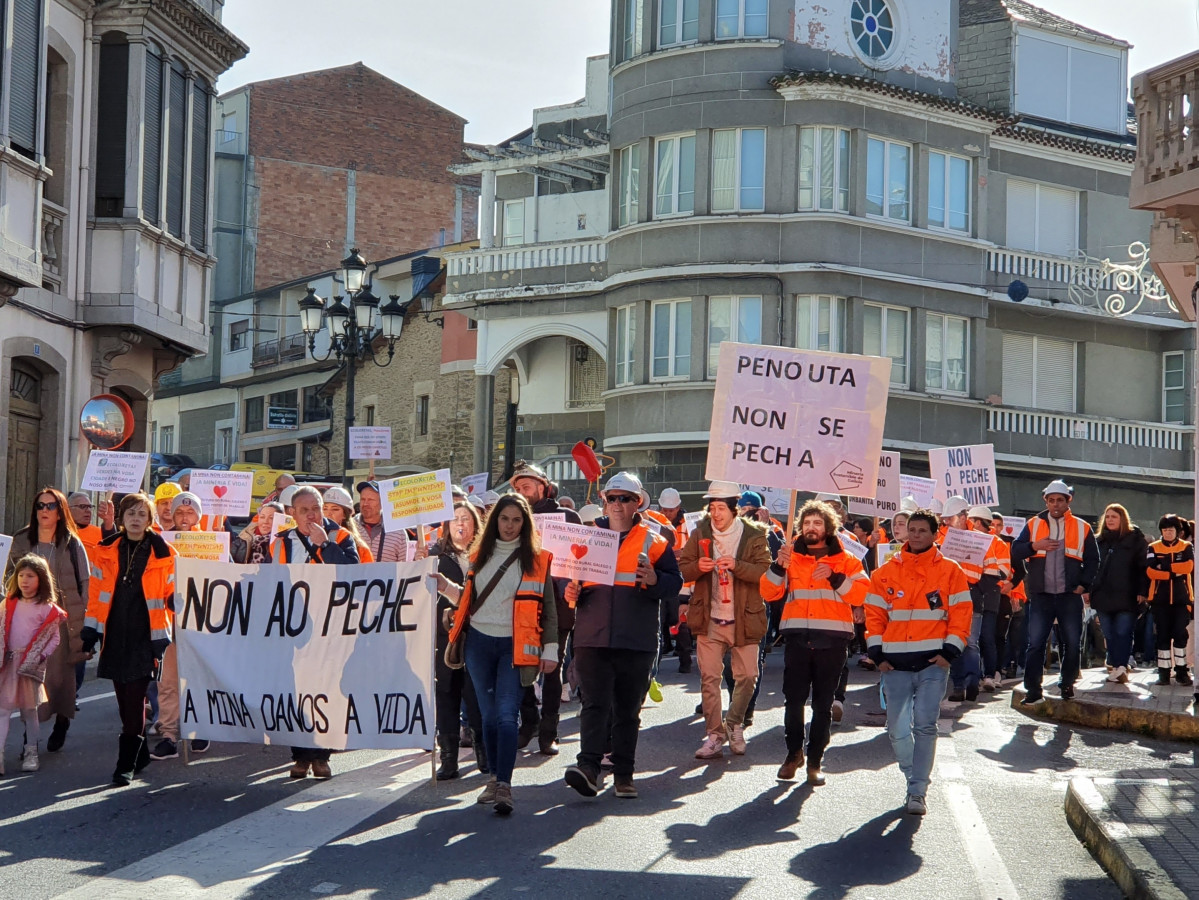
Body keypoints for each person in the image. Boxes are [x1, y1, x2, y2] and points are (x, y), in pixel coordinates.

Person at [564, 472, 682, 800]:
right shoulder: (588, 537)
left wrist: (655, 579)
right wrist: (570, 592)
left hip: (636, 638)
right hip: (593, 636)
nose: (617, 504)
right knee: (594, 705)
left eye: (625, 498)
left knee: (628, 710)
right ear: (604, 501)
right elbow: (570, 583)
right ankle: (588, 768)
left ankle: (624, 775)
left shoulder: (655, 541)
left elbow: (675, 583)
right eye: (612, 498)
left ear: (637, 503)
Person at [441, 494, 558, 815]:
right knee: (488, 717)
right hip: (478, 644)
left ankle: (504, 784)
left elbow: (549, 609)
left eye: (516, 520)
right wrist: (443, 586)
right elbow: (468, 598)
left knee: (507, 715)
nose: (509, 526)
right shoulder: (478, 555)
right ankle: (494, 778)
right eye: (504, 519)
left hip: (515, 646)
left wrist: (550, 648)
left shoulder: (538, 559)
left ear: (525, 524)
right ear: (495, 521)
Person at [865, 510, 972, 815]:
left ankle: (917, 790)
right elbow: (874, 616)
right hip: (894, 665)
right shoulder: (885, 572)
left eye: (922, 530)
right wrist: (877, 654)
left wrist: (949, 652)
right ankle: (914, 775)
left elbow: (962, 614)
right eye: (912, 529)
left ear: (935, 535)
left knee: (925, 725)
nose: (915, 535)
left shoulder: (950, 571)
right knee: (897, 730)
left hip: (932, 664)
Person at [760, 499, 869, 784]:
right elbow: (768, 593)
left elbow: (861, 595)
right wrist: (778, 566)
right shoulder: (789, 556)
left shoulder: (847, 559)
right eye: (807, 522)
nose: (811, 527)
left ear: (828, 527)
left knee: (823, 704)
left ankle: (815, 761)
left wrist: (835, 578)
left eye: (817, 523)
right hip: (797, 637)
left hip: (832, 640)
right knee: (793, 701)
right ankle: (793, 754)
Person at [81, 493, 179, 785]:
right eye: (131, 513)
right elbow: (97, 594)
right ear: (122, 518)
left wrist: (174, 600)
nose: (136, 519)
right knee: (123, 699)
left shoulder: (165, 552)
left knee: (135, 698)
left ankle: (125, 764)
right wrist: (90, 630)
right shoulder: (105, 550)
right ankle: (141, 753)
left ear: (149, 520)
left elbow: (173, 591)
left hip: (146, 636)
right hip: (114, 633)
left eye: (142, 514)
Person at [270, 485, 360, 778]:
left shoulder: (341, 537)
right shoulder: (280, 542)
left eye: (316, 508)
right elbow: (272, 581)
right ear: (292, 514)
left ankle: (322, 756)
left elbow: (353, 574)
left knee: (326, 689)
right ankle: (300, 756)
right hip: (293, 625)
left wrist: (325, 545)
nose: (311, 515)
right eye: (304, 510)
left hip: (330, 625)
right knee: (295, 689)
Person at [678, 481, 771, 761]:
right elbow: (684, 568)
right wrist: (697, 567)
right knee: (709, 678)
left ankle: (734, 723)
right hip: (709, 618)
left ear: (734, 509)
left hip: (744, 617)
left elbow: (765, 573)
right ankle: (715, 736)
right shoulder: (700, 532)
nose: (716, 513)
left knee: (748, 676)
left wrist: (737, 565)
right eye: (712, 507)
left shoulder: (754, 534)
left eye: (721, 508)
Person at [7, 488, 90, 754]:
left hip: (61, 622)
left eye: (51, 506)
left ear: (60, 512)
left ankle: (62, 721)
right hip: (28, 620)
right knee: (30, 678)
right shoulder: (21, 540)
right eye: (40, 505)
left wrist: (83, 620)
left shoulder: (72, 542)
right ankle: (29, 738)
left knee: (60, 678)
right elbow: (8, 578)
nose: (44, 510)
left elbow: (84, 583)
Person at [509, 460, 580, 752]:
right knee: (521, 667)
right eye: (517, 488)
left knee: (553, 668)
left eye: (526, 486)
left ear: (543, 487)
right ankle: (530, 722)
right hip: (524, 603)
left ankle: (549, 730)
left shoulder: (568, 517)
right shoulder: (513, 520)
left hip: (559, 604)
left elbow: (581, 561)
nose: (522, 492)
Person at [1012, 480, 1100, 704]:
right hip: (1041, 595)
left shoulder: (1082, 527)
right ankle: (1033, 690)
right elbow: (1016, 550)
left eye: (1060, 500)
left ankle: (1067, 683)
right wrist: (1035, 546)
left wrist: (1084, 584)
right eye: (1051, 500)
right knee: (1036, 644)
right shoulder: (1033, 524)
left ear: (1068, 501)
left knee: (1072, 643)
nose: (1055, 504)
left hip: (1069, 595)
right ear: (1046, 502)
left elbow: (1093, 559)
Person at [150, 492, 212, 759]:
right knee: (167, 681)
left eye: (190, 512)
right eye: (179, 512)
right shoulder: (160, 543)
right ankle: (169, 735)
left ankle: (200, 728)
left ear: (198, 516)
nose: (184, 517)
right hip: (168, 622)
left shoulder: (213, 543)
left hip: (200, 623)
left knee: (199, 679)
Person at [431, 501, 485, 780]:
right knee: (446, 695)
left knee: (476, 695)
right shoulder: (435, 556)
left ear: (476, 523)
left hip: (478, 634)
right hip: (445, 637)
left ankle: (483, 753)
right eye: (455, 519)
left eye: (466, 518)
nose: (460, 524)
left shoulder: (486, 555)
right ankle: (448, 758)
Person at [0, 555, 67, 775]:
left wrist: (40, 656)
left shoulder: (46, 608)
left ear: (41, 579)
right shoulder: (8, 603)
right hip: (7, 664)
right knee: (2, 710)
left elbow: (54, 638)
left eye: (30, 576)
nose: (24, 580)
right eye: (21, 575)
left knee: (30, 711)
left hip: (29, 665)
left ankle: (31, 753)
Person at [1090, 504, 1148, 684]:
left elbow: (1143, 567)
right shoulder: (1098, 541)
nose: (1110, 520)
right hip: (1103, 595)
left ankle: (1121, 666)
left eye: (1114, 516)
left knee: (1123, 632)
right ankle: (1116, 666)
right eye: (1107, 516)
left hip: (1128, 594)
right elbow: (1091, 566)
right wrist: (1088, 589)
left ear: (1123, 518)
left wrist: (1142, 591)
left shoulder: (1135, 539)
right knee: (1109, 633)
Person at [1146, 514, 1194, 685]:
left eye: (1171, 530)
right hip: (1160, 600)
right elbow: (1151, 571)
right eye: (1165, 530)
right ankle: (1163, 673)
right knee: (1162, 636)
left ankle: (1182, 672)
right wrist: (1173, 573)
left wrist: (1165, 566)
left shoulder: (1186, 546)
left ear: (1178, 531)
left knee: (1180, 635)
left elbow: (1188, 566)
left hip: (1182, 599)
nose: (1168, 533)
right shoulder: (1153, 547)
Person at [353, 481, 410, 563]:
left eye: (370, 500)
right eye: (363, 499)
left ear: (382, 503)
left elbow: (405, 565)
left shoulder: (397, 532)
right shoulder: (350, 526)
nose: (365, 503)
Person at [322, 486, 373, 562]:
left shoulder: (361, 549)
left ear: (345, 514)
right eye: (325, 508)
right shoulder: (312, 538)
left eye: (335, 509)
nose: (328, 513)